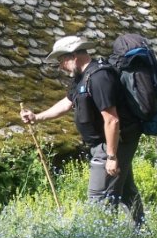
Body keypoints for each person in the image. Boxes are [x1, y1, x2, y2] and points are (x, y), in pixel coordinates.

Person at [20, 35, 145, 226]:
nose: (60, 66)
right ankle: (143, 233)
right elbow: (68, 102)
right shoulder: (82, 78)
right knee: (126, 190)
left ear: (74, 56)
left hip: (111, 144)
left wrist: (111, 156)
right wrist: (37, 117)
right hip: (108, 143)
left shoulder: (99, 77)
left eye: (61, 60)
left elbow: (111, 120)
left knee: (100, 198)